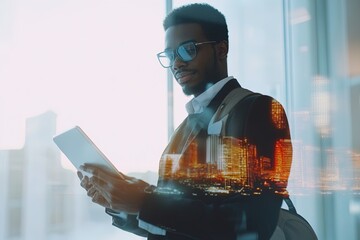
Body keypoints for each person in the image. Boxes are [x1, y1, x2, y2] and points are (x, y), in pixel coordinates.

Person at [78, 3, 292, 240]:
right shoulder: (184, 129)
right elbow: (172, 226)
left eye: (187, 50)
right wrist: (119, 200)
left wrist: (144, 201)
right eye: (170, 55)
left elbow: (252, 224)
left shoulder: (259, 111)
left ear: (221, 50)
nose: (177, 63)